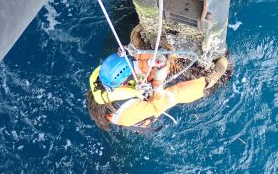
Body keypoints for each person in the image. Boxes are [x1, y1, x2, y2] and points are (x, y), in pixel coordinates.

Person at [86, 51, 228, 131]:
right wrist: (159, 79)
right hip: (129, 113)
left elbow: (135, 65)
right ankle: (209, 83)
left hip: (113, 100)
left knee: (148, 63)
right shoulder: (130, 111)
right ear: (122, 82)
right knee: (175, 94)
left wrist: (150, 63)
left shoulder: (104, 74)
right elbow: (167, 98)